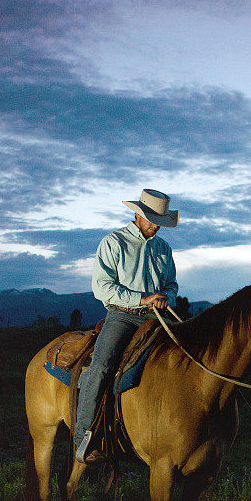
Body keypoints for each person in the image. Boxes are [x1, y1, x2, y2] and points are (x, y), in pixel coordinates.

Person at [74, 189, 179, 462]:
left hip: (157, 318)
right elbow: (102, 287)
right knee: (102, 365)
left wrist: (167, 298)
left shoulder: (163, 249)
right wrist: (142, 298)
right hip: (123, 315)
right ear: (138, 214)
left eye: (160, 221)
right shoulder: (114, 242)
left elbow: (171, 283)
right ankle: (84, 437)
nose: (156, 225)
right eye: (152, 219)